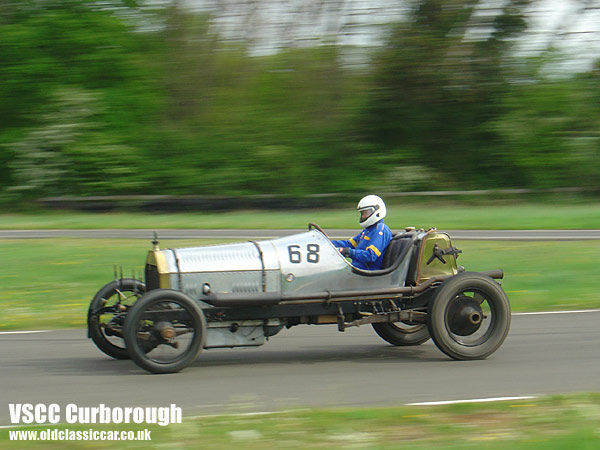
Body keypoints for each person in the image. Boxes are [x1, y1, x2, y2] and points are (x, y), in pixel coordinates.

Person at [332, 195, 392, 271]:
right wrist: (327, 243)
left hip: (367, 273)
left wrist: (348, 252)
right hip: (357, 270)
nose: (363, 216)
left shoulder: (380, 230)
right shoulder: (368, 230)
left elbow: (370, 256)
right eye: (362, 213)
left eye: (366, 213)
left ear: (377, 210)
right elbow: (349, 244)